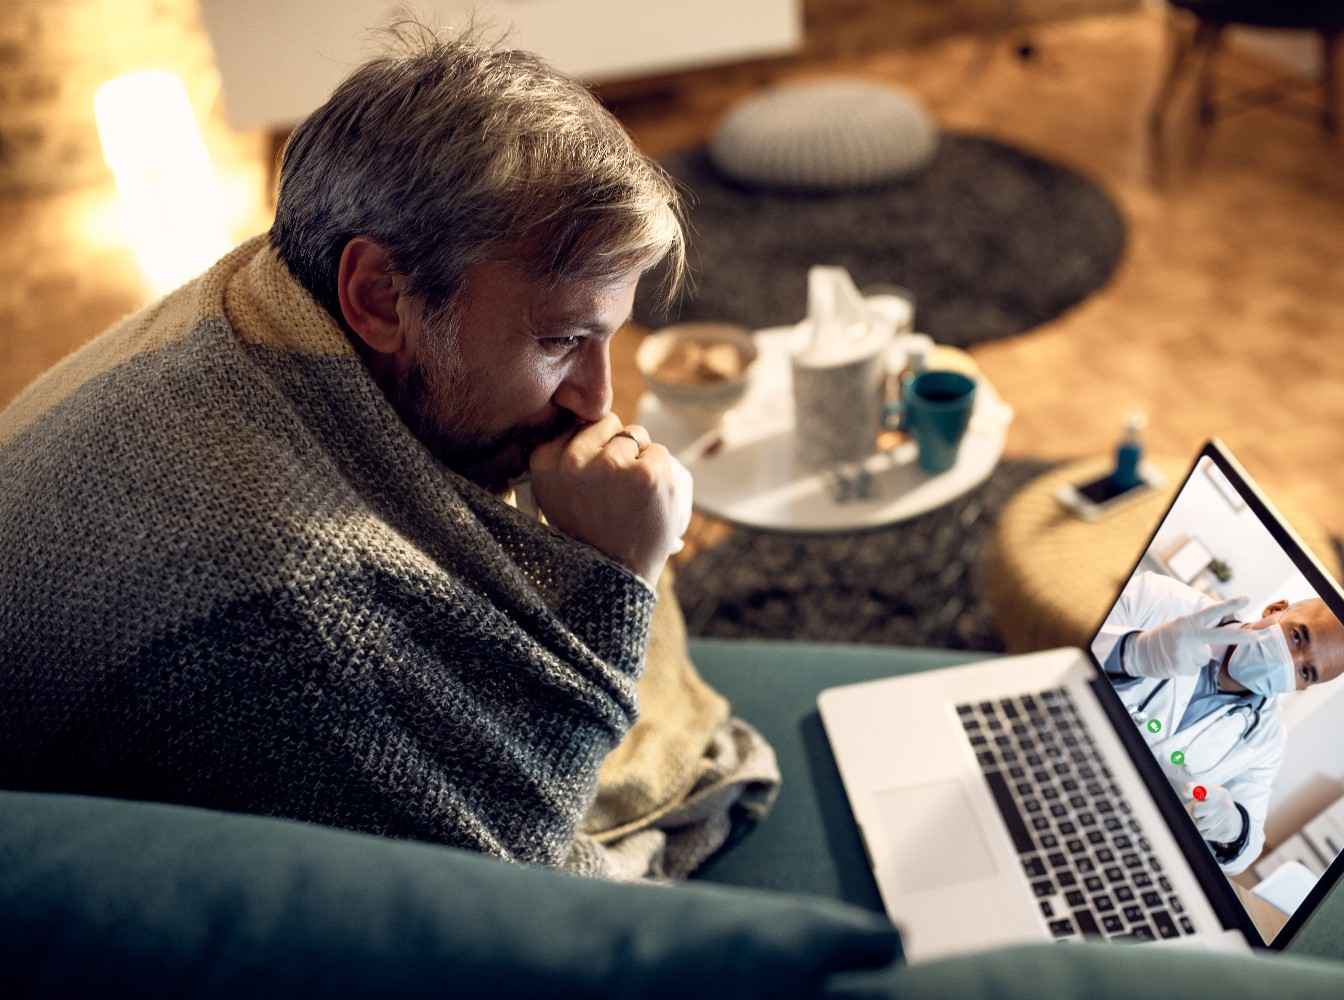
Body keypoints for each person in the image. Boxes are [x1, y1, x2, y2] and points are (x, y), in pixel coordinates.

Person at [0, 22, 777, 880]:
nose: (597, 398)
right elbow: (510, 899)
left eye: (607, 340)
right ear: (377, 295)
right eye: (561, 340)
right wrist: (615, 573)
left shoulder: (259, 292)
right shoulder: (297, 615)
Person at [1091, 571, 1344, 875]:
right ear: (1275, 610)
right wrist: (1133, 653)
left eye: (1307, 672)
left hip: (1123, 830)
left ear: (1303, 687)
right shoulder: (1162, 599)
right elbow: (1054, 638)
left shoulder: (1266, 740)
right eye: (1297, 636)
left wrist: (1231, 827)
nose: (1291, 662)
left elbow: (1247, 852)